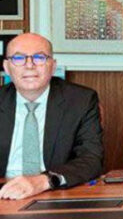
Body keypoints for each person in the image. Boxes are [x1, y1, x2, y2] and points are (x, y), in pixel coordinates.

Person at [0, 33, 103, 200]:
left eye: (39, 58)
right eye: (19, 58)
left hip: (56, 193)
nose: (30, 65)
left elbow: (91, 159)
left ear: (53, 66)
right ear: (6, 67)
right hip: (4, 193)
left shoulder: (81, 101)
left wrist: (43, 181)